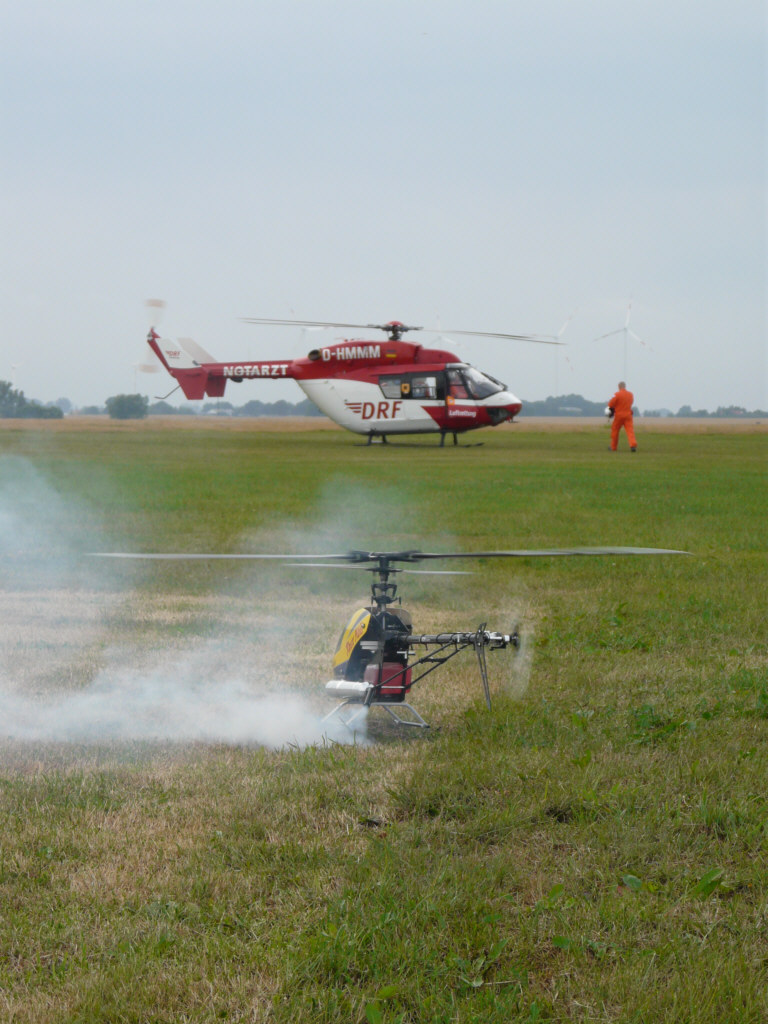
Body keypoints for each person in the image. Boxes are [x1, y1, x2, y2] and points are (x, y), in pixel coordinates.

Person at [607, 381, 637, 451]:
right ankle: (633, 445)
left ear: (619, 387)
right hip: (628, 415)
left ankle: (613, 447)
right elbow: (631, 402)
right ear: (625, 386)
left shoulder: (616, 394)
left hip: (619, 415)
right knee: (630, 431)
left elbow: (610, 404)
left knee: (615, 430)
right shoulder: (630, 394)